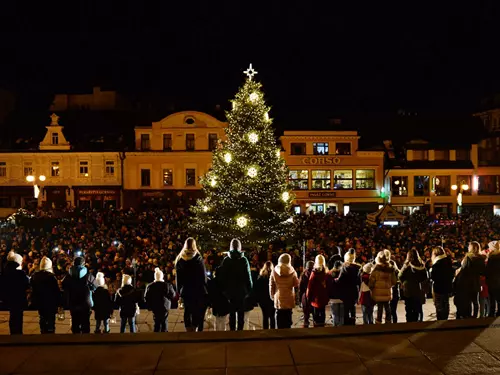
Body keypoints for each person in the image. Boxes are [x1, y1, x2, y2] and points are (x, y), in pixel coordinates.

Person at [217, 238, 253, 331]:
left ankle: (232, 332)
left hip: (230, 291)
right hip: (242, 291)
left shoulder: (226, 260)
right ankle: (240, 332)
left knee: (232, 314)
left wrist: (223, 290)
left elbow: (222, 277)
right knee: (241, 314)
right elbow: (248, 276)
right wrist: (249, 289)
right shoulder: (243, 260)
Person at [175, 237, 208, 332]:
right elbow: (203, 276)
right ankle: (195, 327)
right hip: (197, 289)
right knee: (196, 310)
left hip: (186, 289)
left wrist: (179, 290)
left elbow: (178, 278)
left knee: (187, 310)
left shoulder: (180, 259)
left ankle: (188, 329)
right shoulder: (198, 258)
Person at [62, 256, 96, 334]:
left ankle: (75, 340)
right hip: (85, 302)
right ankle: (86, 341)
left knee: (75, 322)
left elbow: (64, 286)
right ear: (83, 264)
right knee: (85, 323)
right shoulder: (88, 276)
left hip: (73, 302)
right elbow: (95, 287)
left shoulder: (68, 276)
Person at [30, 256, 61, 334]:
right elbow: (56, 291)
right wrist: (59, 302)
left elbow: (33, 289)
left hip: (40, 300)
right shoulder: (51, 277)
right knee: (51, 318)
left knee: (42, 317)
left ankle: (43, 331)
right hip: (51, 301)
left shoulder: (35, 276)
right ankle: (50, 332)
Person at [1, 251, 30, 334]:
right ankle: (18, 334)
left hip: (9, 298)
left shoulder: (4, 272)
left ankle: (13, 333)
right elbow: (26, 284)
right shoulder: (20, 273)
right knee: (18, 317)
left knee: (13, 315)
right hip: (19, 297)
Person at [270, 253, 299, 329]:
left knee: (279, 317)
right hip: (289, 297)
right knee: (288, 318)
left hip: (279, 297)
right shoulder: (293, 271)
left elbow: (271, 285)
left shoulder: (274, 271)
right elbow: (296, 284)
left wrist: (272, 295)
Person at [457, 241, 486, 318]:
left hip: (467, 282)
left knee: (468, 301)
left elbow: (464, 270)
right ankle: (475, 316)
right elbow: (483, 271)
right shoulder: (481, 258)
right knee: (475, 301)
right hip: (476, 281)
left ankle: (468, 316)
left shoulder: (468, 257)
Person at [399, 249, 428, 322]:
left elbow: (400, 275)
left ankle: (409, 323)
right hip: (418, 289)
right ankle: (417, 322)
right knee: (417, 308)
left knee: (409, 308)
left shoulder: (407, 266)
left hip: (408, 290)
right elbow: (425, 277)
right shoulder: (421, 265)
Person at [145, 267, 176, 332]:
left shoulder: (150, 286)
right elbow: (173, 295)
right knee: (164, 321)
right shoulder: (167, 285)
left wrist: (149, 305)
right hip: (165, 306)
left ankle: (157, 335)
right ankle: (164, 334)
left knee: (157, 321)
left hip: (155, 306)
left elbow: (146, 297)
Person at [369, 251, 397, 324]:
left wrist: (372, 288)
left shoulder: (376, 269)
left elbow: (371, 281)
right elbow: (394, 281)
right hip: (387, 291)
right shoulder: (391, 269)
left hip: (377, 292)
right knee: (387, 307)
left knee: (379, 307)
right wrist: (388, 285)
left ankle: (379, 321)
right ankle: (388, 321)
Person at [336, 248, 361, 325]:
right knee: (352, 307)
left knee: (346, 308)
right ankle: (353, 321)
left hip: (345, 290)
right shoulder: (358, 268)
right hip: (353, 290)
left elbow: (340, 280)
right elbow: (359, 281)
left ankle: (346, 323)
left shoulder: (344, 267)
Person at [429, 247, 454, 320]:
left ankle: (440, 319)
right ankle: (445, 318)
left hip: (439, 288)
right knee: (446, 303)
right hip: (447, 286)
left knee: (439, 305)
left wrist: (431, 271)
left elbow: (434, 277)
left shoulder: (436, 264)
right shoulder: (448, 262)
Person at [306, 255, 330, 327]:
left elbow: (310, 286)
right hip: (324, 295)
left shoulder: (314, 273)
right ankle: (322, 325)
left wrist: (308, 296)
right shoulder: (326, 272)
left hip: (315, 296)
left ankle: (316, 326)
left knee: (316, 312)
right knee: (322, 311)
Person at [255, 261, 276, 329]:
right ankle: (273, 331)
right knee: (272, 316)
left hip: (263, 300)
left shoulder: (261, 277)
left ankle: (265, 330)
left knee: (265, 316)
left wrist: (257, 299)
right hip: (272, 298)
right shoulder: (274, 276)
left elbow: (257, 289)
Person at [384, 249, 400, 323]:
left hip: (387, 290)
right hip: (394, 291)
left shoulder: (383, 267)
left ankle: (388, 324)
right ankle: (394, 324)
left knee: (388, 310)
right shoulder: (395, 269)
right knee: (393, 311)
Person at [486, 241, 500, 317]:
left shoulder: (492, 258)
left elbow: (488, 270)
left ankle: (491, 314)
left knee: (492, 299)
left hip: (492, 281)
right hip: (498, 281)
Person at [298, 261, 314, 328]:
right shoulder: (315, 274)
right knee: (314, 313)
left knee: (306, 314)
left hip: (305, 295)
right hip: (313, 295)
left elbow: (300, 288)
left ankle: (306, 325)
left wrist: (299, 299)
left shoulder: (303, 275)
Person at [329, 260, 344, 326]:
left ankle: (335, 328)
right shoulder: (343, 274)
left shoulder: (330, 274)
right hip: (342, 297)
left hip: (333, 298)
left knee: (335, 314)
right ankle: (341, 328)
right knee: (341, 315)